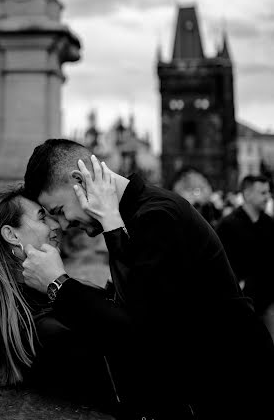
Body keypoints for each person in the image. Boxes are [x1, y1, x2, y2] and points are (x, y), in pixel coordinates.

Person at [22, 139, 274, 419]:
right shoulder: (134, 213)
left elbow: (139, 328)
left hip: (235, 387)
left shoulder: (156, 215)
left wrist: (58, 283)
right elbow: (123, 301)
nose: (65, 224)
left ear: (80, 180)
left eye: (59, 211)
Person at [0, 184, 143, 417]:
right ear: (11, 235)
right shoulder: (47, 330)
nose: (56, 225)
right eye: (42, 219)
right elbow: (133, 339)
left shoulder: (35, 307)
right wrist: (59, 283)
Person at [216, 175, 274, 317]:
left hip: (268, 301)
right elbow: (220, 263)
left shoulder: (269, 223)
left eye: (268, 192)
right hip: (240, 303)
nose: (268, 197)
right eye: (263, 193)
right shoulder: (227, 225)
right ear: (247, 194)